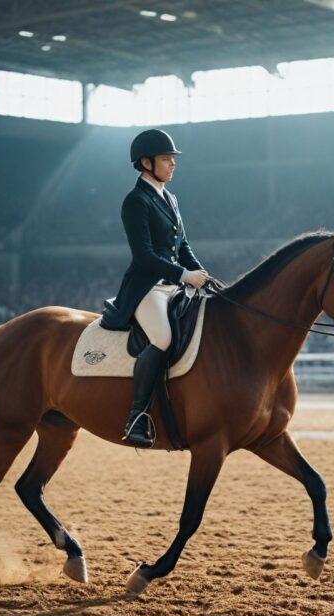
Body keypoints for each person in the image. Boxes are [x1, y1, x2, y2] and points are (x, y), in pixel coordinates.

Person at [101, 129, 209, 448]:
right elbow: (144, 256)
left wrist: (202, 274)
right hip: (147, 288)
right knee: (162, 338)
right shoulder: (135, 201)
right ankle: (137, 417)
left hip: (173, 285)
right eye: (166, 159)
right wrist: (183, 274)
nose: (173, 164)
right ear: (146, 163)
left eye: (173, 159)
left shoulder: (170, 198)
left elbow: (183, 245)